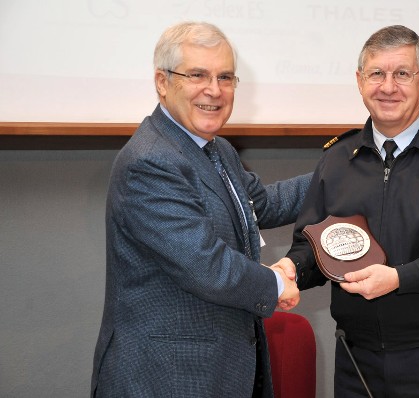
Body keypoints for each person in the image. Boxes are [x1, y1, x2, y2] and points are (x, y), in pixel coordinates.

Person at [275, 25, 419, 397]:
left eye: (402, 74)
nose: (388, 87)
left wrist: (398, 278)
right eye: (376, 74)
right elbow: (315, 243)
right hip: (356, 358)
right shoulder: (337, 158)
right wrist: (292, 268)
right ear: (359, 81)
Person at [91, 21, 310, 397]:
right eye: (198, 75)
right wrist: (275, 284)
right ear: (162, 82)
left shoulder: (215, 148)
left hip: (217, 370)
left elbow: (264, 205)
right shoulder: (150, 161)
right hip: (165, 378)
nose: (214, 90)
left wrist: (341, 173)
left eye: (225, 77)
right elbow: (207, 265)